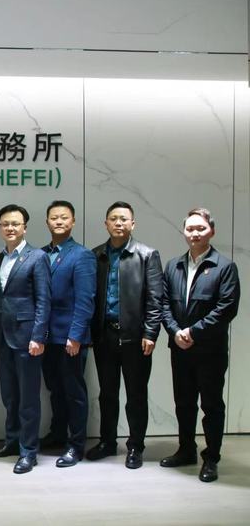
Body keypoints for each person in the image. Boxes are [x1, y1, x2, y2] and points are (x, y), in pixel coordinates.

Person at [160, 208, 239, 482]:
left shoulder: (224, 267)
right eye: (190, 229)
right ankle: (186, 450)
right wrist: (175, 332)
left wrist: (193, 332)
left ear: (211, 232)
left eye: (200, 228)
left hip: (210, 350)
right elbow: (164, 304)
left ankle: (211, 458)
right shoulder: (173, 266)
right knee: (184, 403)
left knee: (211, 405)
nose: (194, 233)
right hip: (179, 348)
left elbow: (226, 308)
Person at [87, 201, 163, 469]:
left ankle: (135, 447)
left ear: (133, 224)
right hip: (104, 335)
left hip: (135, 337)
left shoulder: (147, 255)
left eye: (124, 219)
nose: (118, 223)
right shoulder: (96, 255)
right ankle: (108, 442)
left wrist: (151, 332)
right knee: (107, 393)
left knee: (136, 395)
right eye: (113, 219)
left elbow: (155, 298)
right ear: (106, 223)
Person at [0, 204, 50, 474]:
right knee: (9, 396)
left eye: (15, 224)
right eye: (5, 224)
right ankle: (12, 441)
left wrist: (38, 336)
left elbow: (44, 301)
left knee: (28, 399)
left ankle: (28, 451)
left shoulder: (37, 257)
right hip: (3, 339)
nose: (10, 228)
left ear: (25, 227)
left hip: (27, 340)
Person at [40, 201, 96, 467]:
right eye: (54, 218)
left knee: (74, 392)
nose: (59, 221)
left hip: (70, 338)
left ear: (73, 222)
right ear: (47, 222)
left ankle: (76, 445)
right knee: (54, 389)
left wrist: (75, 336)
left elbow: (85, 300)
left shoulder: (82, 255)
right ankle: (57, 433)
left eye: (64, 217)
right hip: (46, 337)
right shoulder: (40, 254)